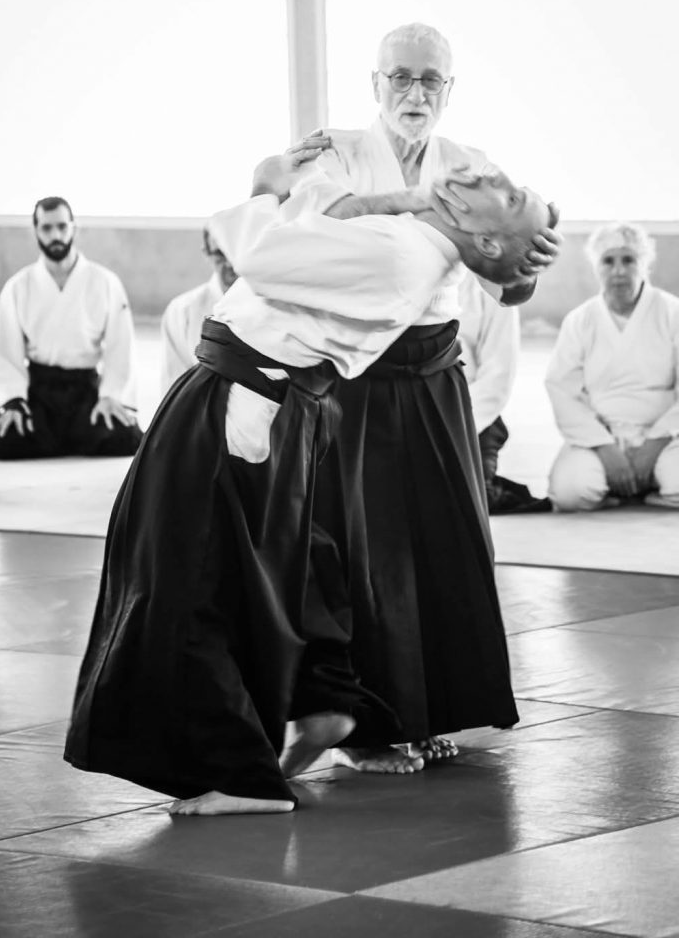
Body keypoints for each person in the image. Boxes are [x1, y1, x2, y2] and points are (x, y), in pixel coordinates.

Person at [65, 138, 554, 817]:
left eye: (510, 193)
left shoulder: (403, 256)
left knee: (185, 573)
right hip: (271, 400)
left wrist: (262, 186)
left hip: (242, 396)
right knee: (274, 566)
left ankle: (242, 778)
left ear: (486, 235)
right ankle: (324, 700)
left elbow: (263, 258)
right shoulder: (412, 239)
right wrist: (395, 196)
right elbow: (327, 221)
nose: (494, 174)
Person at [290, 22, 561, 773]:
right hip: (355, 371)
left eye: (430, 79)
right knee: (366, 550)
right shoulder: (336, 151)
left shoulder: (470, 165)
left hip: (437, 370)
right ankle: (368, 733)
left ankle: (432, 713)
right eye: (401, 77)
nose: (415, 92)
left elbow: (505, 287)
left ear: (449, 89)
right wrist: (416, 201)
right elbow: (316, 218)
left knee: (451, 539)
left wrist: (528, 264)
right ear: (375, 83)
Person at [0, 197, 143, 460]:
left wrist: (111, 396)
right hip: (40, 390)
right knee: (5, 441)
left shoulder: (104, 281)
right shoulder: (18, 286)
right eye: (47, 228)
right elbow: (6, 352)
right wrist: (13, 400)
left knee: (126, 439)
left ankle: (62, 437)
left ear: (73, 228)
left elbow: (120, 346)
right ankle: (68, 437)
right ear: (36, 231)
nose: (55, 235)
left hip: (86, 390)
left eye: (62, 226)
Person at [546, 222, 679, 511]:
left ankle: (650, 484)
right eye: (608, 261)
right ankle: (636, 486)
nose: (619, 271)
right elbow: (562, 389)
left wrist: (654, 444)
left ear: (644, 264)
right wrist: (605, 448)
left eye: (628, 260)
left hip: (667, 437)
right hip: (600, 437)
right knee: (571, 493)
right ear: (597, 267)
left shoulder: (672, 313)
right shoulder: (580, 320)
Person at [457, 272, 551, 513]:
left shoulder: (492, 283)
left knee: (464, 503)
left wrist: (454, 426)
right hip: (407, 407)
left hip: (470, 416)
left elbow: (497, 379)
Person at [159, 227, 237, 392]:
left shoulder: (271, 306)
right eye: (220, 254)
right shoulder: (182, 311)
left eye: (235, 251)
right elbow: (174, 382)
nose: (230, 263)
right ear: (206, 253)